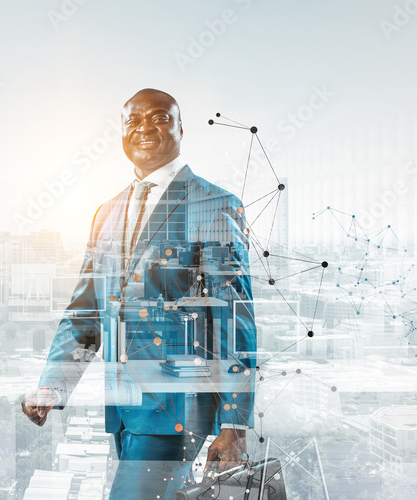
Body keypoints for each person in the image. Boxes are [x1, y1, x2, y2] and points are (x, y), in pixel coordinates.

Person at [21, 89, 257, 498]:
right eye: (133, 121)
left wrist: (234, 424)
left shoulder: (215, 205)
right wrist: (53, 384)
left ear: (181, 128)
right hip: (125, 409)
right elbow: (86, 311)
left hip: (180, 409)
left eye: (161, 118)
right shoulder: (107, 212)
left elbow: (233, 320)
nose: (146, 127)